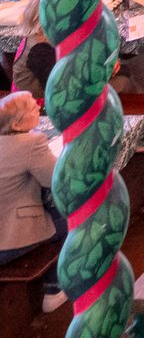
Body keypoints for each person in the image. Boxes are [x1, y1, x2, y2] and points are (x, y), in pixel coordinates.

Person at [0, 91, 63, 313]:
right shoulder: (31, 142)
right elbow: (54, 181)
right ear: (17, 124)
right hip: (9, 240)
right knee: (70, 219)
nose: (38, 107)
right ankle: (54, 289)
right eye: (32, 107)